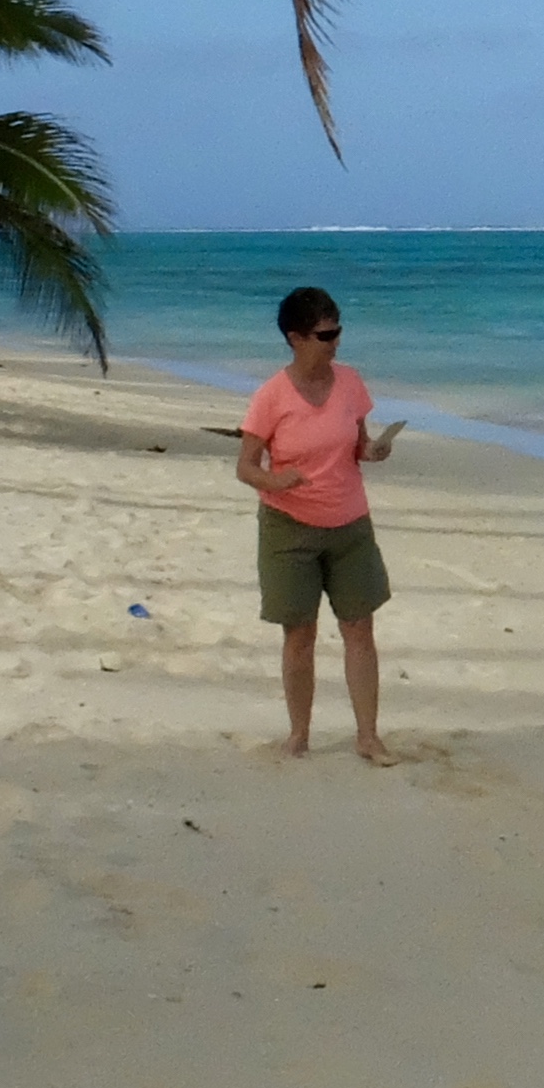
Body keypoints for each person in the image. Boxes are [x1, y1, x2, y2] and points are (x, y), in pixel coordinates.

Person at [237, 285, 407, 762]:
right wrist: (276, 480)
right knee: (300, 634)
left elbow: (357, 444)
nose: (335, 342)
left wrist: (373, 451)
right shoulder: (271, 396)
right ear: (295, 337)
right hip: (289, 528)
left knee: (359, 628)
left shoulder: (350, 382)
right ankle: (299, 734)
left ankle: (368, 737)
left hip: (350, 524)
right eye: (325, 334)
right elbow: (245, 466)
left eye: (338, 331)